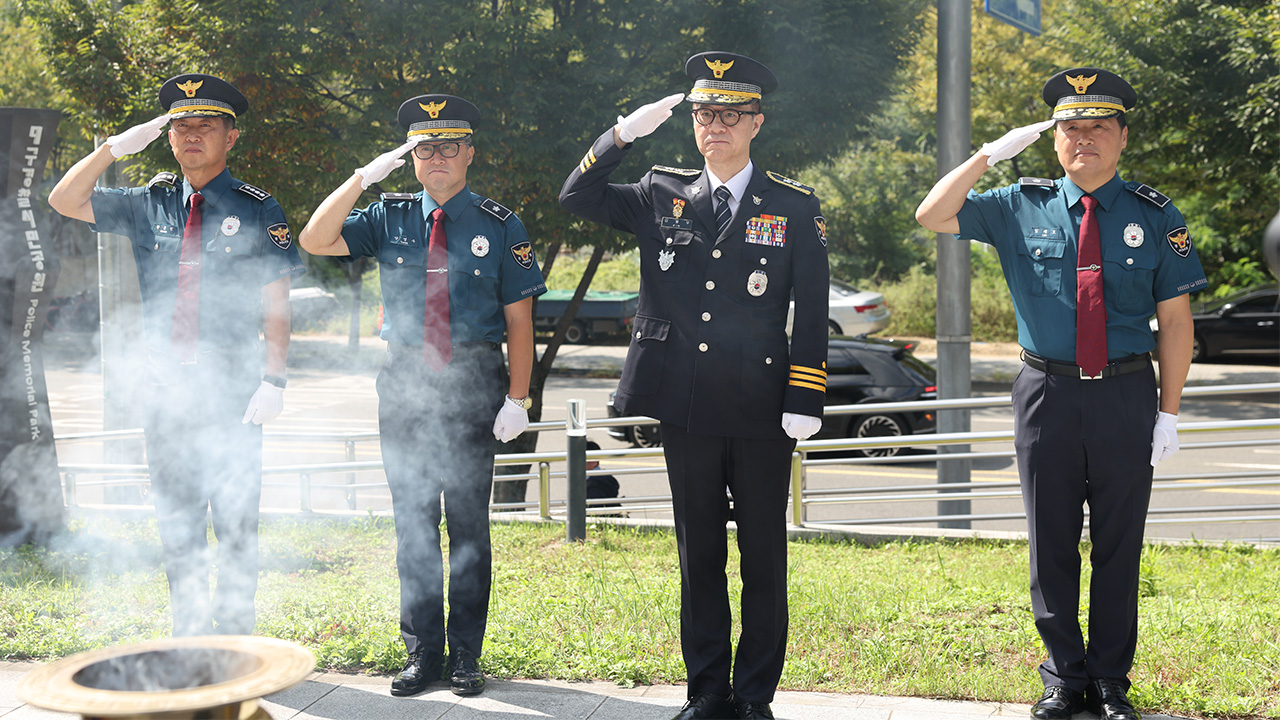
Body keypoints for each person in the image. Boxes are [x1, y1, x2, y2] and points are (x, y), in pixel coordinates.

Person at [915, 67, 1207, 720]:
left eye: (1100, 127)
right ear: (1053, 141)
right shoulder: (1018, 203)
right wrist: (990, 154)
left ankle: (1109, 680)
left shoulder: (1154, 215)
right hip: (1045, 390)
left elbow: (1178, 322)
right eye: (1072, 128)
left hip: (1127, 394)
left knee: (1118, 545)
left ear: (1123, 138)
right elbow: (932, 213)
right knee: (1049, 543)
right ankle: (1062, 678)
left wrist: (1169, 413)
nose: (1085, 139)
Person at [559, 52, 830, 720]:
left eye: (730, 115)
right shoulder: (660, 191)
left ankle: (755, 695)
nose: (715, 127)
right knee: (698, 553)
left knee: (763, 557)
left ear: (756, 123)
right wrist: (620, 136)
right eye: (706, 114)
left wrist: (805, 396)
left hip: (765, 408)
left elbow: (813, 306)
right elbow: (577, 196)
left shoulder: (793, 207)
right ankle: (707, 691)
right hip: (686, 405)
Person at [298, 93, 545, 697]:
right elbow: (313, 238)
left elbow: (519, 322)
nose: (437, 157)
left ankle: (465, 655)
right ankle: (421, 653)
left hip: (472, 383)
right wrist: (362, 177)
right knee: (412, 524)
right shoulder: (388, 215)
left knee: (467, 526)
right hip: (406, 383)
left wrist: (518, 398)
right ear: (410, 158)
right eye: (424, 148)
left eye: (449, 146)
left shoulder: (498, 223)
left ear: (469, 153)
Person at [48, 74, 304, 636]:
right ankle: (187, 633)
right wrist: (114, 149)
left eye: (206, 126)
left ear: (230, 138)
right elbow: (64, 200)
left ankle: (235, 636)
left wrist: (275, 380)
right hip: (165, 391)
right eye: (181, 126)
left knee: (235, 521)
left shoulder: (258, 208)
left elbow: (276, 303)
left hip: (234, 389)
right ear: (166, 138)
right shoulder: (149, 202)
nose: (192, 136)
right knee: (177, 520)